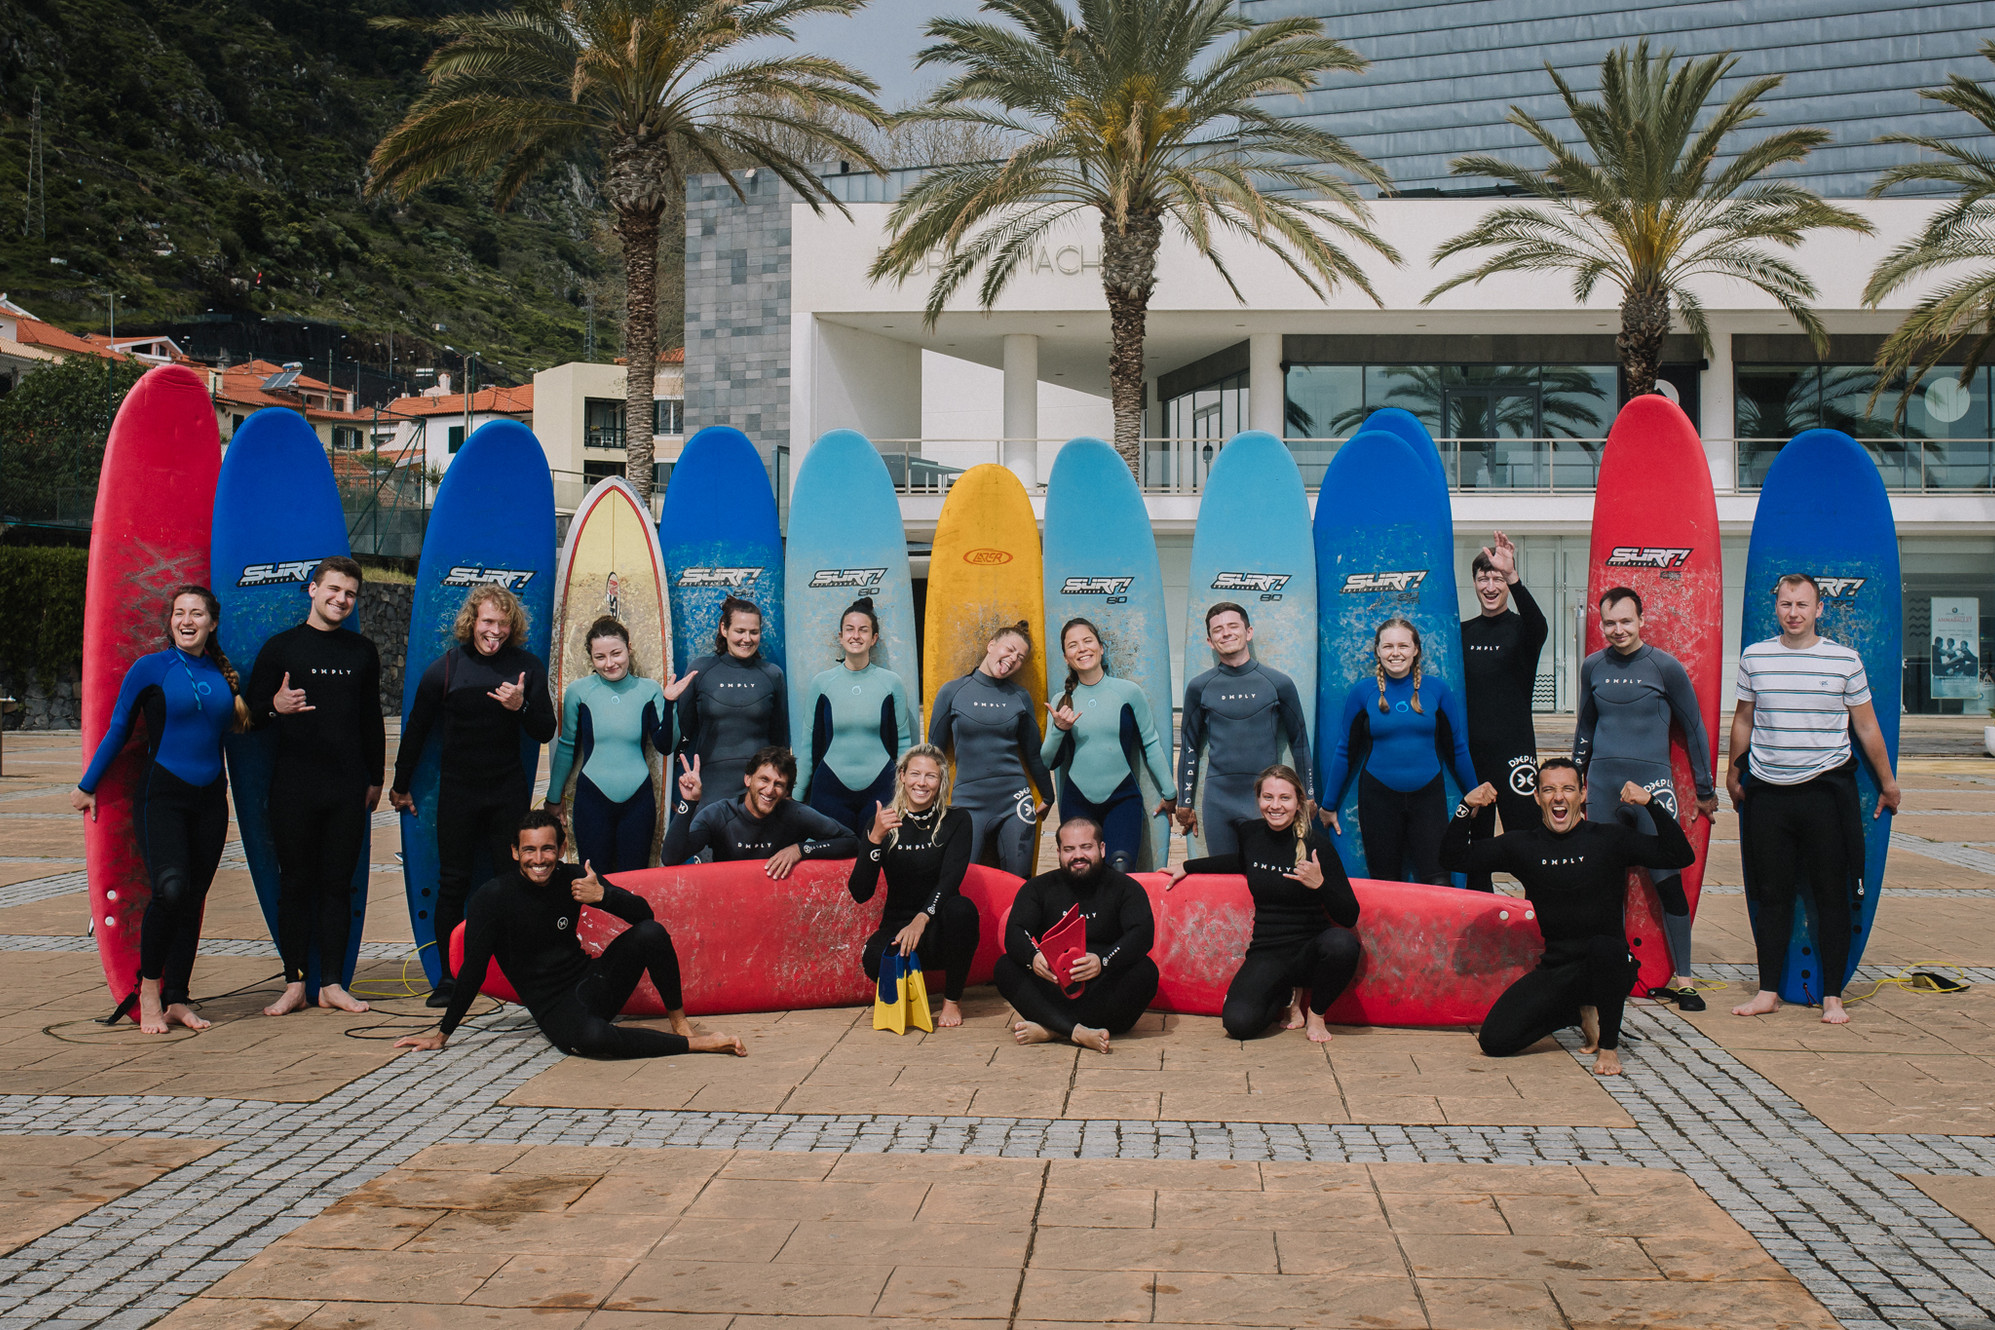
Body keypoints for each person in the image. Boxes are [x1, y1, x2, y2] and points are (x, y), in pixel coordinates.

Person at [394, 811, 747, 1060]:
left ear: (560, 850)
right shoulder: (493, 897)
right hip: (553, 1006)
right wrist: (442, 1034)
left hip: (592, 983)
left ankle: (680, 1024)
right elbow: (472, 970)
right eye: (529, 850)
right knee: (593, 1040)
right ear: (515, 852)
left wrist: (604, 897)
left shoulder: (575, 878)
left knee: (651, 934)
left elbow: (646, 917)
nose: (539, 859)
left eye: (547, 849)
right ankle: (698, 1046)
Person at [1440, 759, 1695, 1076]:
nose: (1558, 797)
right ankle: (1576, 1011)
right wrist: (1467, 807)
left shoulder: (1608, 839)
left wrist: (1651, 804)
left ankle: (1609, 1045)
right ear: (1537, 797)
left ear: (1582, 794)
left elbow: (1680, 854)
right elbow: (1453, 857)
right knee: (1495, 1041)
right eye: (1549, 790)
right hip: (1559, 968)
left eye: (1567, 789)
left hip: (1612, 963)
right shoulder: (1522, 845)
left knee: (1605, 948)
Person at [73, 586, 251, 1034]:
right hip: (162, 797)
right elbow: (118, 729)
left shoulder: (222, 673)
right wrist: (87, 785)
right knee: (170, 891)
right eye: (179, 613)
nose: (186, 620)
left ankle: (177, 997)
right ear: (170, 621)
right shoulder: (149, 668)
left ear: (212, 622)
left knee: (192, 901)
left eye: (197, 613)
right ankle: (148, 990)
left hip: (211, 800)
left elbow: (242, 729)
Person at [1728, 574, 1902, 1025]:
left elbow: (1865, 727)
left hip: (1826, 793)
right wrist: (1733, 769)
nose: (1793, 613)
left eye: (1802, 604)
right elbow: (1744, 718)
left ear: (1819, 609)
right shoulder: (1755, 657)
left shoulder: (1844, 660)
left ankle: (1832, 997)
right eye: (1786, 604)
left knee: (1831, 895)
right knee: (1772, 895)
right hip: (1768, 792)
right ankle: (1767, 990)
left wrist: (1887, 782)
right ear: (1777, 607)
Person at [389, 585, 556, 1009]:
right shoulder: (446, 669)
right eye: (487, 622)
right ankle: (449, 977)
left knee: (511, 881)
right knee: (453, 882)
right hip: (460, 791)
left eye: (502, 623)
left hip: (507, 791)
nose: (494, 631)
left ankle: (514, 971)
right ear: (472, 622)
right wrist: (399, 783)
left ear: (512, 625)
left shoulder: (526, 667)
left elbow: (544, 730)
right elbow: (417, 731)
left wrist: (520, 705)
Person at [244, 556, 385, 1017]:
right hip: (294, 788)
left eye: (349, 594)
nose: (341, 599)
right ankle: (294, 983)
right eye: (334, 590)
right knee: (296, 885)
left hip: (346, 789)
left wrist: (376, 778)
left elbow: (370, 721)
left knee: (337, 886)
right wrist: (275, 707)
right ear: (312, 589)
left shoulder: (361, 652)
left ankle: (332, 984)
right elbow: (247, 718)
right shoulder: (281, 649)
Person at [1573, 586, 1716, 1011]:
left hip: (1653, 788)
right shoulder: (1591, 667)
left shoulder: (1665, 667)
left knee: (1666, 880)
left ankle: (1686, 979)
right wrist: (1576, 781)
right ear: (1601, 624)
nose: (1618, 630)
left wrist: (1705, 790)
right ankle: (1612, 971)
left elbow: (1693, 730)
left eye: (1626, 621)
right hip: (1601, 787)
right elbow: (1585, 729)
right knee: (1604, 886)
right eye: (1610, 623)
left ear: (1641, 620)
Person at [1166, 764, 1360, 1043]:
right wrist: (1187, 866)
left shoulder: (1317, 845)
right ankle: (1285, 994)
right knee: (1238, 1024)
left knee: (1343, 944)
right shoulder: (1251, 833)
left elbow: (1350, 916)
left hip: (1310, 950)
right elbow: (1242, 862)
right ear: (1258, 800)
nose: (1275, 806)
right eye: (1268, 797)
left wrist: (1321, 885)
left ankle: (1316, 1013)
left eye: (1284, 798)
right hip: (1268, 951)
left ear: (1298, 802)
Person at [1321, 617, 1478, 885]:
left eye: (1403, 646)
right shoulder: (1362, 693)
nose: (1396, 653)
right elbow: (1345, 750)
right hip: (1378, 798)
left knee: (1439, 882)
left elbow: (1457, 747)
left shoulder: (1437, 690)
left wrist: (1473, 792)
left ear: (1416, 649)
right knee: (1385, 883)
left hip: (1428, 797)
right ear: (1378, 651)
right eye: (1388, 646)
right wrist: (1329, 804)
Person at [993, 817, 1159, 1053]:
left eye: (1086, 847)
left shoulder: (1125, 888)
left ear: (1102, 849)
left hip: (1104, 988)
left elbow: (1142, 934)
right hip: (1054, 984)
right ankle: (1077, 1032)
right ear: (1059, 852)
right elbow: (1015, 932)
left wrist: (1103, 962)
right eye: (1069, 849)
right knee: (1005, 966)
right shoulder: (1038, 888)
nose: (1077, 855)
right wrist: (1033, 958)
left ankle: (1052, 1028)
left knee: (1146, 971)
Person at [543, 617, 691, 875]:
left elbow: (666, 745)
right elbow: (567, 747)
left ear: (628, 649)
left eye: (616, 653)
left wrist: (669, 704)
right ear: (591, 658)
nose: (609, 663)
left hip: (638, 802)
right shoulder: (579, 691)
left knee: (633, 881)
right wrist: (553, 799)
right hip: (591, 800)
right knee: (593, 881)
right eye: (600, 657)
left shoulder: (649, 690)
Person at [847, 744, 980, 1028]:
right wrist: (874, 838)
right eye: (915, 774)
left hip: (939, 929)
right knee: (872, 958)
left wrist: (922, 919)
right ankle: (910, 992)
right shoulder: (882, 821)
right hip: (898, 929)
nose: (922, 782)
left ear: (941, 782)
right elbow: (860, 892)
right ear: (902, 776)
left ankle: (952, 1001)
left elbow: (950, 880)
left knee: (963, 909)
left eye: (931, 776)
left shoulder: (957, 820)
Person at [1174, 603, 1313, 858]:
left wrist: (1309, 794)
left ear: (1248, 632)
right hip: (1218, 800)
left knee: (1265, 881)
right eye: (1218, 630)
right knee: (1223, 882)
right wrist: (1185, 802)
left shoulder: (1278, 683)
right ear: (1209, 640)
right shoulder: (1200, 687)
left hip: (1264, 800)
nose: (1226, 633)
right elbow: (1190, 744)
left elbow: (1300, 741)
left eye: (1233, 626)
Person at [1042, 618, 1177, 872]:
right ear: (1065, 657)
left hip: (1122, 799)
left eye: (1087, 641)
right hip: (1076, 801)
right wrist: (1059, 729)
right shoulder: (1062, 700)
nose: (1081, 648)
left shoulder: (1128, 692)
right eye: (1073, 645)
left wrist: (1170, 793)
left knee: (1121, 869)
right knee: (1081, 872)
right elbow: (1047, 760)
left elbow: (1151, 743)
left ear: (1101, 648)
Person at [1459, 532, 1549, 892]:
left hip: (1516, 757)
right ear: (1475, 584)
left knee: (1528, 843)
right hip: (1472, 757)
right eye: (1484, 578)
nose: (1491, 585)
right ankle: (1480, 933)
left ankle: (1540, 922)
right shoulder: (1461, 633)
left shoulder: (1522, 629)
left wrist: (1514, 575)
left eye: (1497, 578)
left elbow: (1539, 625)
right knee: (1476, 850)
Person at [927, 623, 1054, 876]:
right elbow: (933, 755)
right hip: (968, 803)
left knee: (1018, 883)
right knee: (961, 882)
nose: (1013, 659)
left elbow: (1032, 753)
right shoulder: (953, 691)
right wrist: (928, 802)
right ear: (991, 645)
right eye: (1009, 649)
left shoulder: (1020, 696)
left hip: (1015, 801)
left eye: (1020, 658)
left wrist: (1048, 796)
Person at [669, 595, 787, 858]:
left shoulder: (772, 674)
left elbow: (781, 742)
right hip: (712, 793)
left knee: (757, 879)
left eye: (754, 632)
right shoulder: (700, 670)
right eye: (740, 631)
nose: (747, 638)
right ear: (724, 629)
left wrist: (784, 792)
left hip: (760, 793)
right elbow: (683, 738)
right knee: (712, 879)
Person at [796, 597, 916, 833]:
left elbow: (903, 743)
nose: (856, 636)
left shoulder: (891, 683)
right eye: (849, 630)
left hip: (882, 790)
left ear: (874, 638)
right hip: (829, 790)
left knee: (877, 861)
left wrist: (906, 791)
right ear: (840, 637)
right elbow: (808, 745)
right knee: (832, 860)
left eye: (863, 630)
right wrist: (796, 796)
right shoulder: (821, 683)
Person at [663, 744, 858, 873]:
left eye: (779, 784)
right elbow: (671, 857)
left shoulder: (795, 814)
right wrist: (689, 803)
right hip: (730, 900)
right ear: (748, 779)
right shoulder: (719, 815)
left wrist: (801, 849)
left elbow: (851, 842)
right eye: (764, 779)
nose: (770, 790)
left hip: (777, 904)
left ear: (786, 791)